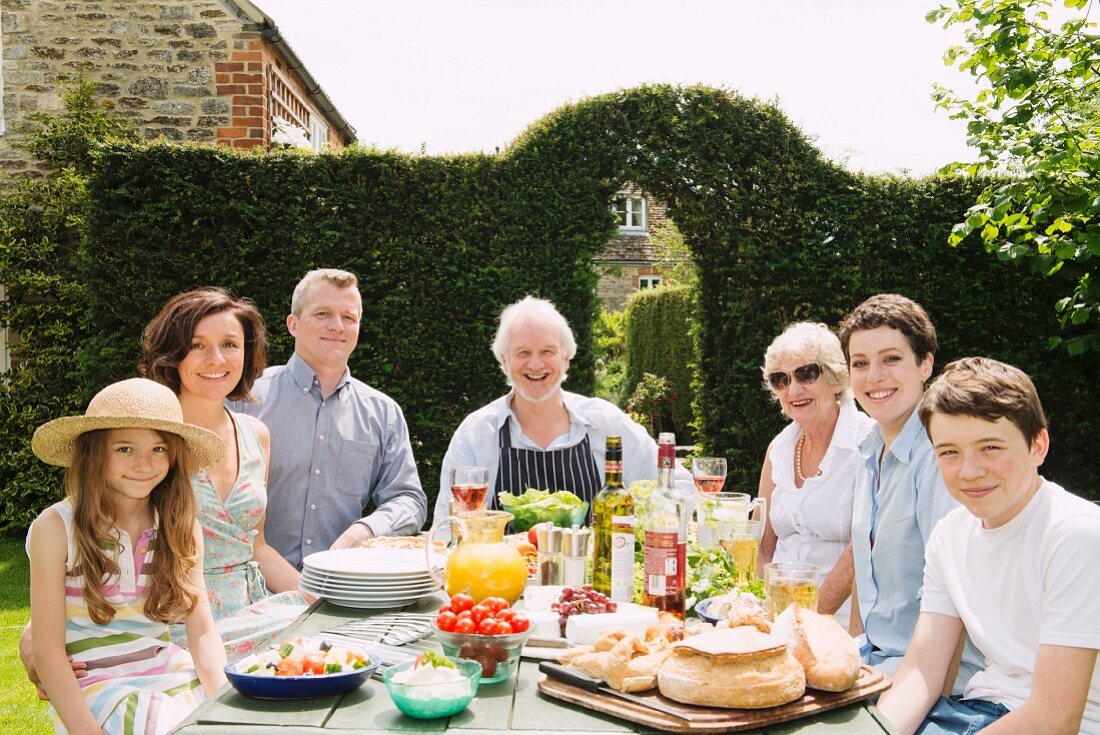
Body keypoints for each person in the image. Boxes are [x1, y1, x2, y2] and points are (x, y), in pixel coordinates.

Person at [878, 357, 1100, 734]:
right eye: (949, 452)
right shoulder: (950, 535)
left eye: (990, 448)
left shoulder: (1076, 536)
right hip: (973, 713)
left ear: (1038, 445)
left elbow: (1055, 718)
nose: (969, 470)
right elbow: (921, 671)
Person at [26, 378, 228, 734]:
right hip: (95, 686)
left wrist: (227, 706)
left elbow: (202, 633)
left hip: (165, 671)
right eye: (124, 449)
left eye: (159, 449)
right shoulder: (55, 529)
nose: (144, 464)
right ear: (93, 453)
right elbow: (47, 651)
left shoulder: (180, 526)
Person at [141, 288, 307, 656]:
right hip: (175, 623)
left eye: (230, 344)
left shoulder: (256, 435)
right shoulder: (148, 438)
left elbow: (256, 547)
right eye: (198, 345)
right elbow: (91, 536)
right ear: (174, 354)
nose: (216, 358)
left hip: (255, 616)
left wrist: (320, 598)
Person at [231, 269, 427, 568]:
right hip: (252, 589)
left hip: (341, 588)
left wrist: (367, 529)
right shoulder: (244, 400)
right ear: (293, 324)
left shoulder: (383, 413)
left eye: (349, 317)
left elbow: (409, 499)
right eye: (323, 313)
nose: (337, 326)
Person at [435, 295, 689, 523]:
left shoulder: (606, 422)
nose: (535, 364)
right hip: (505, 575)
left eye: (547, 351)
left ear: (566, 357)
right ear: (504, 360)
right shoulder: (477, 433)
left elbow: (677, 483)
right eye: (523, 353)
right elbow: (448, 528)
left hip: (595, 574)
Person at [838, 293, 981, 691]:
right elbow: (864, 578)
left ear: (925, 364)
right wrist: (851, 652)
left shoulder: (939, 456)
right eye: (860, 364)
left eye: (891, 359)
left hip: (935, 681)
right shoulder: (870, 451)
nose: (874, 377)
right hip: (875, 661)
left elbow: (958, 596)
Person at [756, 322, 875, 623]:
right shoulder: (779, 449)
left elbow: (860, 549)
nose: (794, 389)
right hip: (776, 617)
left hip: (839, 621)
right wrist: (761, 617)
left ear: (836, 378)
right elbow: (761, 545)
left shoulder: (868, 444)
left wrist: (809, 619)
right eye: (780, 379)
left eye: (807, 374)